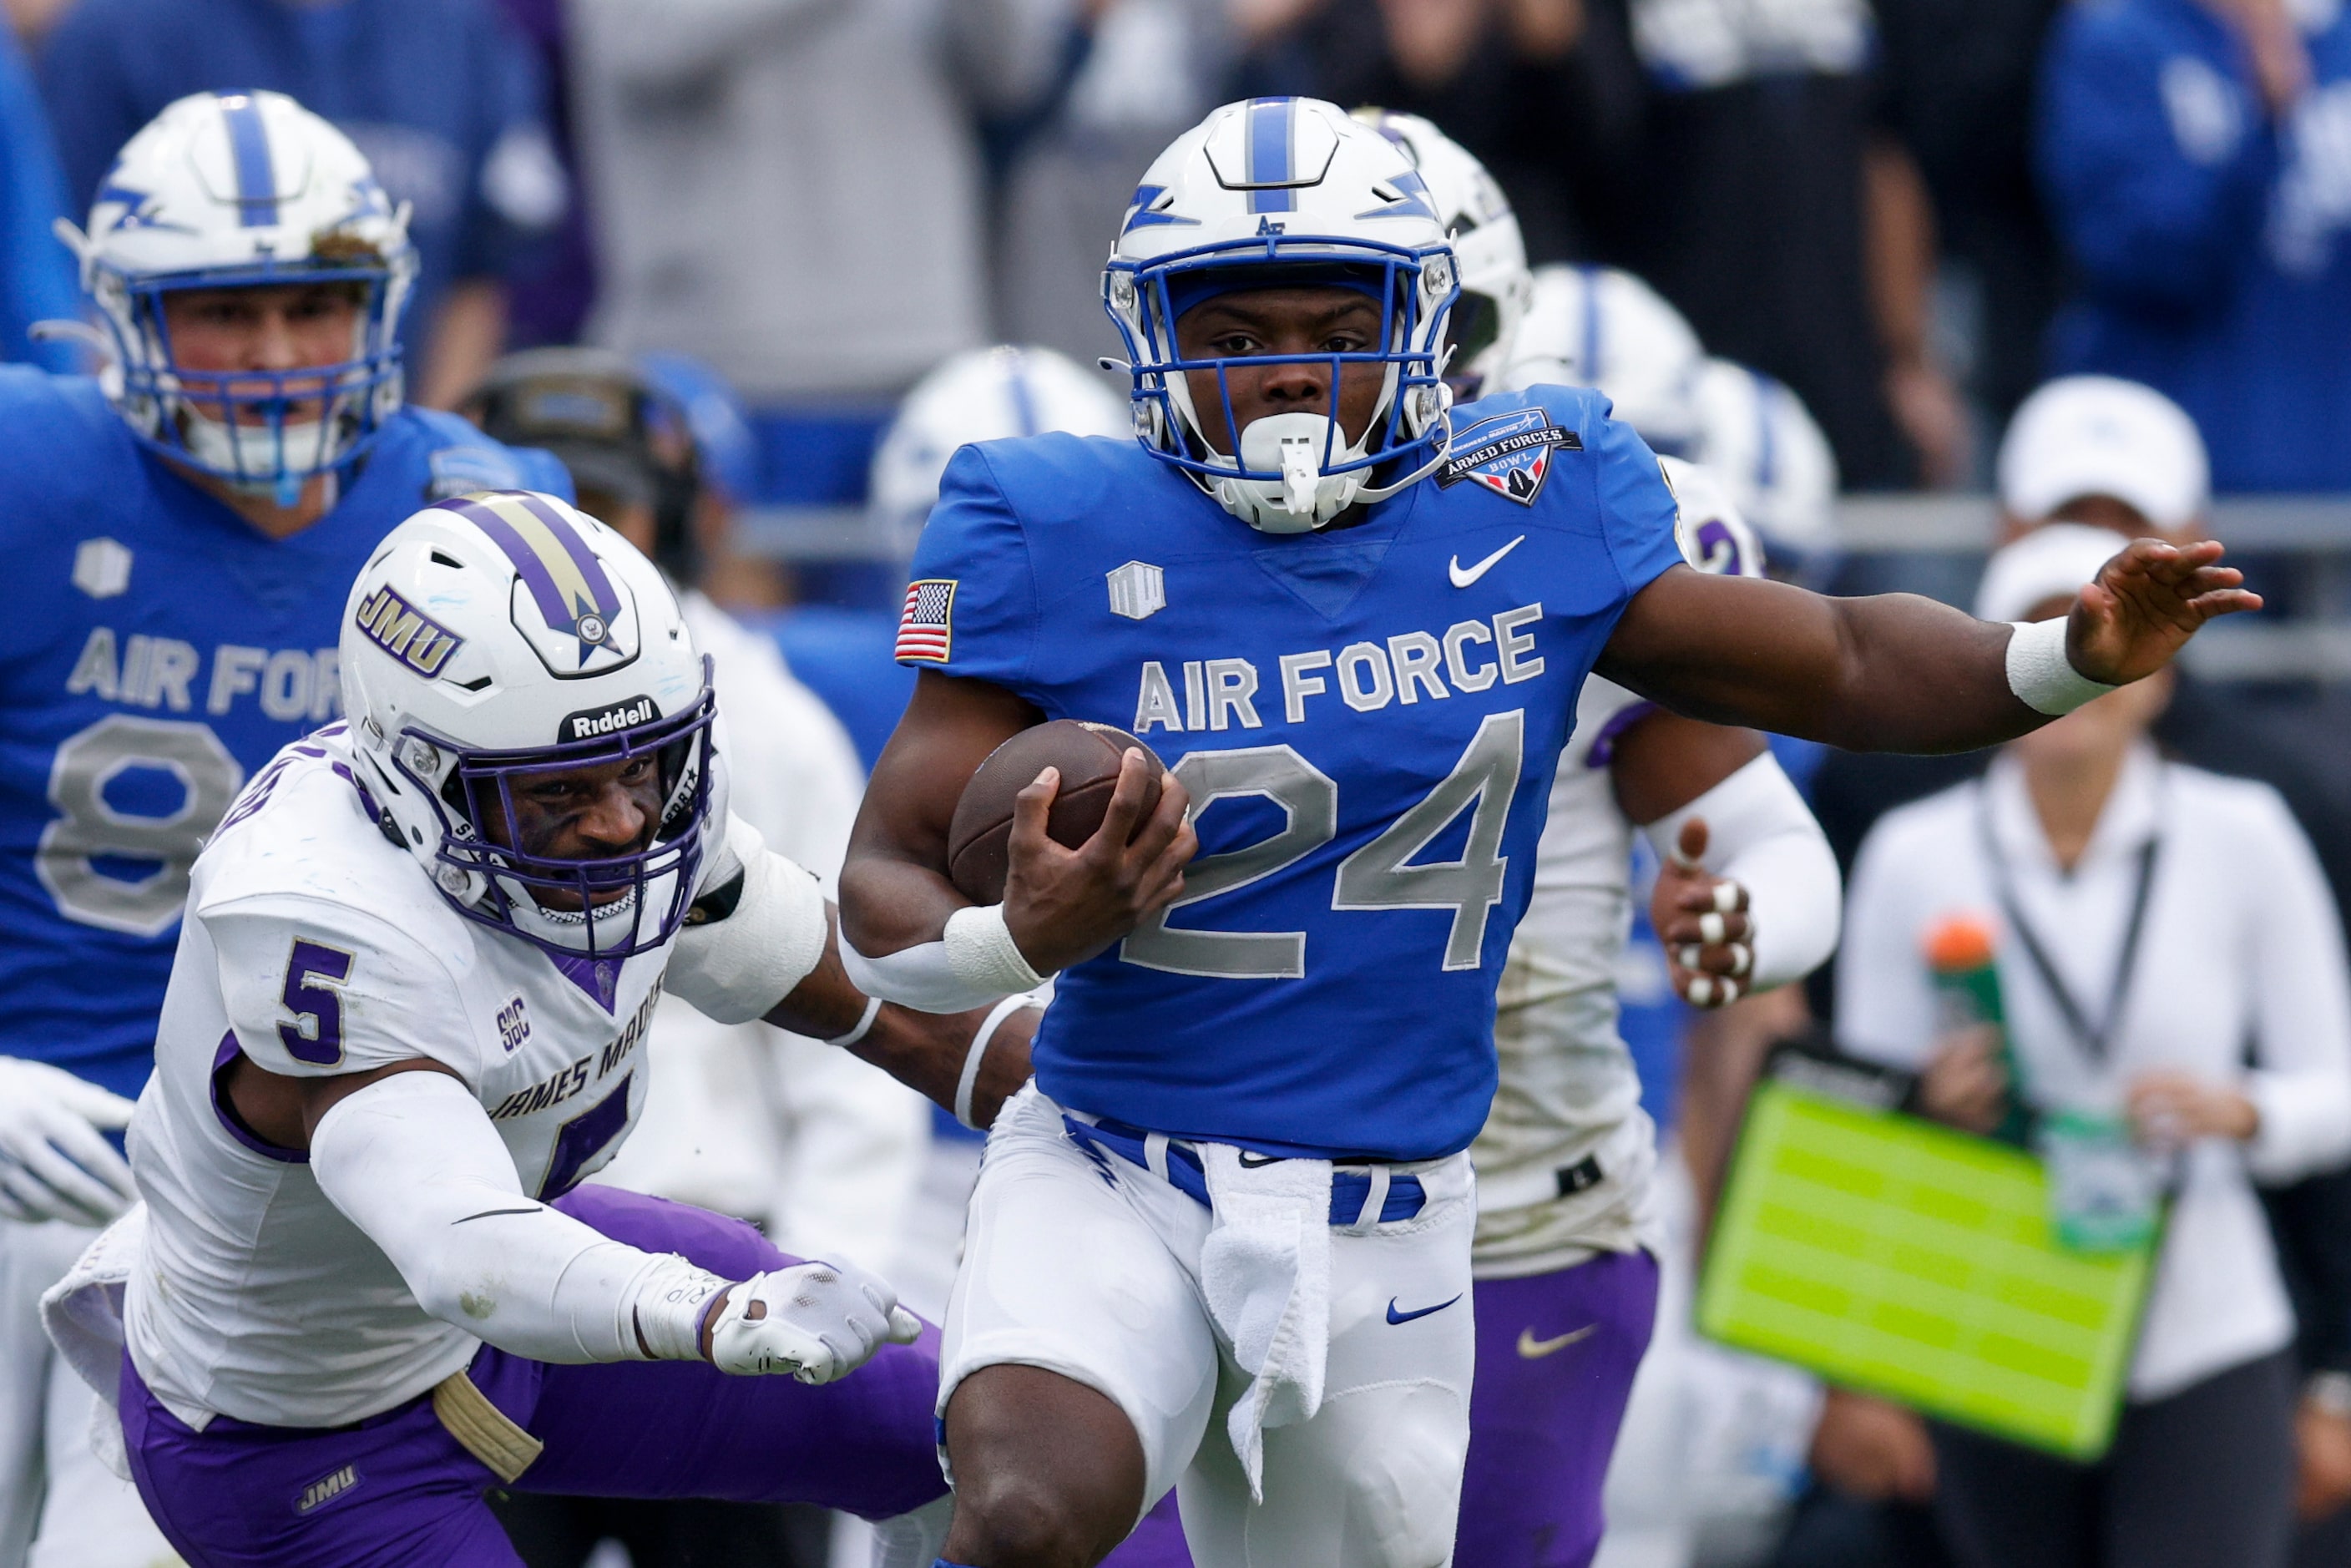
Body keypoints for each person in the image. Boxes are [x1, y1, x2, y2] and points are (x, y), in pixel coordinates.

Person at [834, 96, 2253, 1568]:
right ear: (1154, 335)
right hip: (1117, 1158)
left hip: (1393, 1208)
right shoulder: (1049, 520)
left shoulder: (1533, 495)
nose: (1285, 373)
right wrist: (1019, 936)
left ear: (1421, 326)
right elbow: (878, 882)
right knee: (1023, 1511)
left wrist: (2059, 657)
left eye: (1332, 323)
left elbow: (1829, 653)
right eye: (1237, 332)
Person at [50, 490, 1040, 1566]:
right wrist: (715, 1316)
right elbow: (460, 1247)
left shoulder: (622, 796)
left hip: (530, 1299)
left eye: (636, 769)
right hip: (298, 1438)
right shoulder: (322, 912)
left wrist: (1111, 1107)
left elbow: (884, 1012)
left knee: (1020, 1465)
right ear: (419, 778)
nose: (618, 822)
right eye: (559, 792)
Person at [0, 89, 572, 1568]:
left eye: (313, 308)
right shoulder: (29, 471)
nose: (270, 359)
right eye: (222, 313)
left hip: (286, 1193)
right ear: (122, 314)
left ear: (383, 303)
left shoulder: (474, 513)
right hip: (27, 1131)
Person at [1366, 107, 1846, 1568]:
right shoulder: (1135, 535)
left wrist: (1748, 917)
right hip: (1214, 1180)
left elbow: (1762, 924)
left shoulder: (1605, 539)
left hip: (1536, 1193)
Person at [463, 349, 924, 1568]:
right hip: (481, 1273)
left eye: (595, 506)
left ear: (680, 519)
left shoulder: (759, 719)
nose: (557, 553)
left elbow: (848, 1047)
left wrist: (818, 1286)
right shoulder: (409, 719)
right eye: (523, 509)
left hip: (719, 1273)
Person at [1837, 522, 2351, 1568]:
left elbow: (2334, 1091)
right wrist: (1926, 1107)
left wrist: (2243, 1112)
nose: (2077, 670)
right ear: (1991, 674)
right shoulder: (1911, 852)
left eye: (2103, 642)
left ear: (2158, 678)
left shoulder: (2240, 831)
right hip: (1990, 1314)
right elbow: (1855, 1122)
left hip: (2202, 1318)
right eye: (2043, 639)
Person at [36, 0, 568, 407]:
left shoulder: (462, 32)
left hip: (395, 432)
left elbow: (477, 278)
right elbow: (75, 278)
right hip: (179, 447)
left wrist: (431, 467)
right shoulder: (117, 34)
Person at [2037, 0, 2351, 490]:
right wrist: (2265, 124)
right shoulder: (2119, 39)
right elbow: (2145, 255)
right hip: (2170, 469)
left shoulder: (2340, 38)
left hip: (2331, 469)